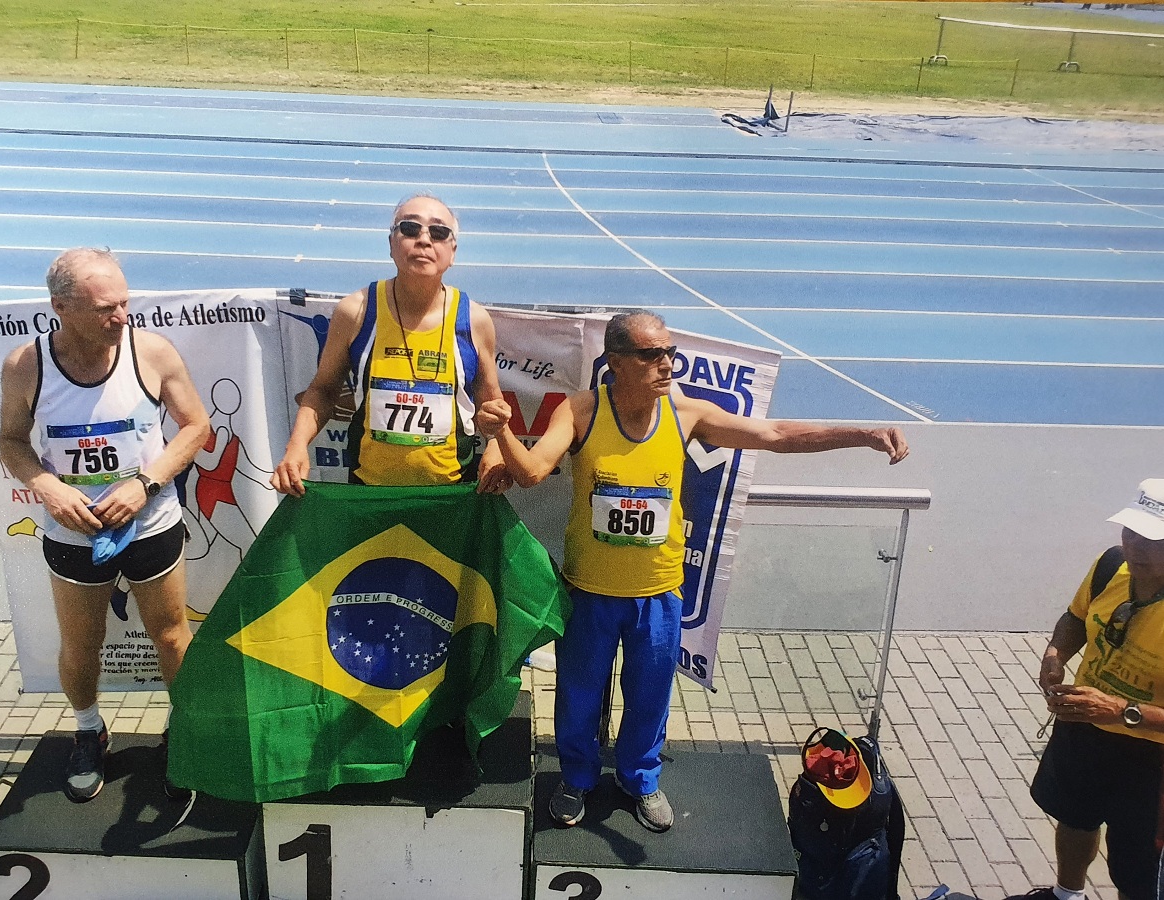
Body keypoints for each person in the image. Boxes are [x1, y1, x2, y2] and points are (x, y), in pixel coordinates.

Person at [477, 311, 909, 833]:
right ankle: (577, 779)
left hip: (658, 594)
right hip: (588, 592)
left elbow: (772, 433)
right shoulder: (582, 411)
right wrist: (500, 433)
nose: (666, 365)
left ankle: (641, 780)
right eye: (651, 355)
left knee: (650, 698)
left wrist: (860, 434)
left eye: (670, 353)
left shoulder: (684, 415)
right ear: (614, 361)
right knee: (578, 696)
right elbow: (531, 473)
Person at [0, 248, 210, 802]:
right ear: (60, 307)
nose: (121, 318)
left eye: (125, 304)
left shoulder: (152, 353)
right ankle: (89, 729)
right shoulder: (27, 366)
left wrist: (146, 483)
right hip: (73, 530)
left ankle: (184, 730)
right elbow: (11, 441)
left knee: (170, 636)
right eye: (105, 310)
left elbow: (195, 427)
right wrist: (46, 485)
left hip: (149, 524)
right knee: (81, 644)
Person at [272, 193, 509, 494]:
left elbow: (490, 403)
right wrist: (296, 447)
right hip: (369, 495)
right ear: (391, 244)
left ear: (453, 252)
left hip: (451, 497)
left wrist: (496, 447)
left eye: (438, 232)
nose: (424, 240)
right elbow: (323, 391)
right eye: (410, 228)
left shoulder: (474, 320)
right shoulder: (355, 311)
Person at [1007, 479, 1164, 900]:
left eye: (1152, 537)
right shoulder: (1111, 566)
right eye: (1131, 530)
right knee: (1076, 818)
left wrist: (1119, 710)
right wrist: (1055, 654)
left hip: (1152, 755)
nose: (1135, 544)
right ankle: (1066, 894)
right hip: (1084, 726)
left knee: (1138, 862)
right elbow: (1075, 618)